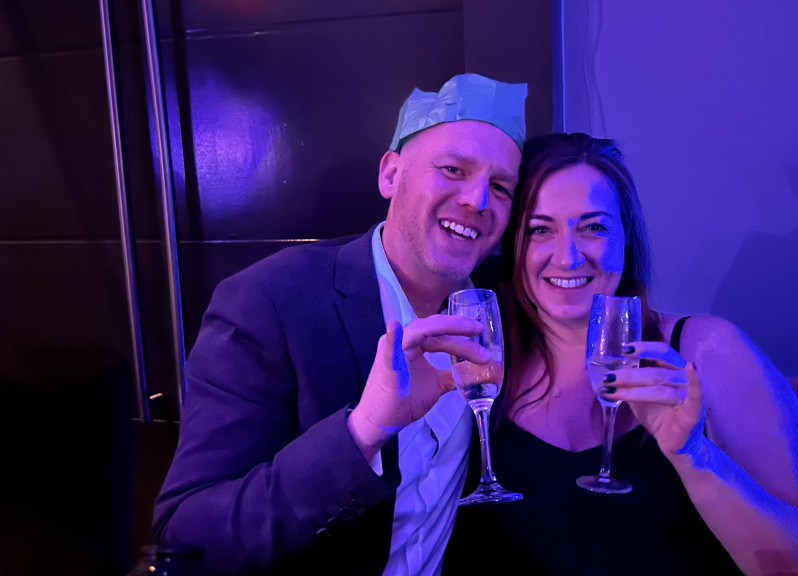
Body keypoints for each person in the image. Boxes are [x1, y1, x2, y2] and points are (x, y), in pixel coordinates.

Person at [152, 73, 528, 575]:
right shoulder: (269, 302)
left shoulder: (501, 306)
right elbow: (185, 537)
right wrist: (362, 431)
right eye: (453, 169)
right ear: (391, 174)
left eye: (500, 187)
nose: (478, 200)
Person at [444, 133, 798, 575]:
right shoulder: (476, 362)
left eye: (594, 227)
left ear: (626, 238)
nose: (568, 257)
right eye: (540, 230)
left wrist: (695, 457)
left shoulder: (706, 350)